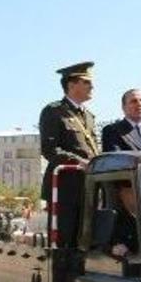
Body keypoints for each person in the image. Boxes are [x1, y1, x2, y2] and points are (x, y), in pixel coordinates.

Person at [39, 61, 99, 243]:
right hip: (65, 187)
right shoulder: (54, 111)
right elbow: (50, 149)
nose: (92, 86)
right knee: (65, 241)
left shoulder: (88, 116)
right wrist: (79, 162)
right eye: (86, 82)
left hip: (88, 185)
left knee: (88, 239)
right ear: (71, 85)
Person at [108, 181, 139, 258]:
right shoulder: (115, 218)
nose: (132, 196)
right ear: (121, 196)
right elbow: (104, 244)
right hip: (125, 260)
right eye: (128, 192)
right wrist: (113, 249)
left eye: (134, 192)